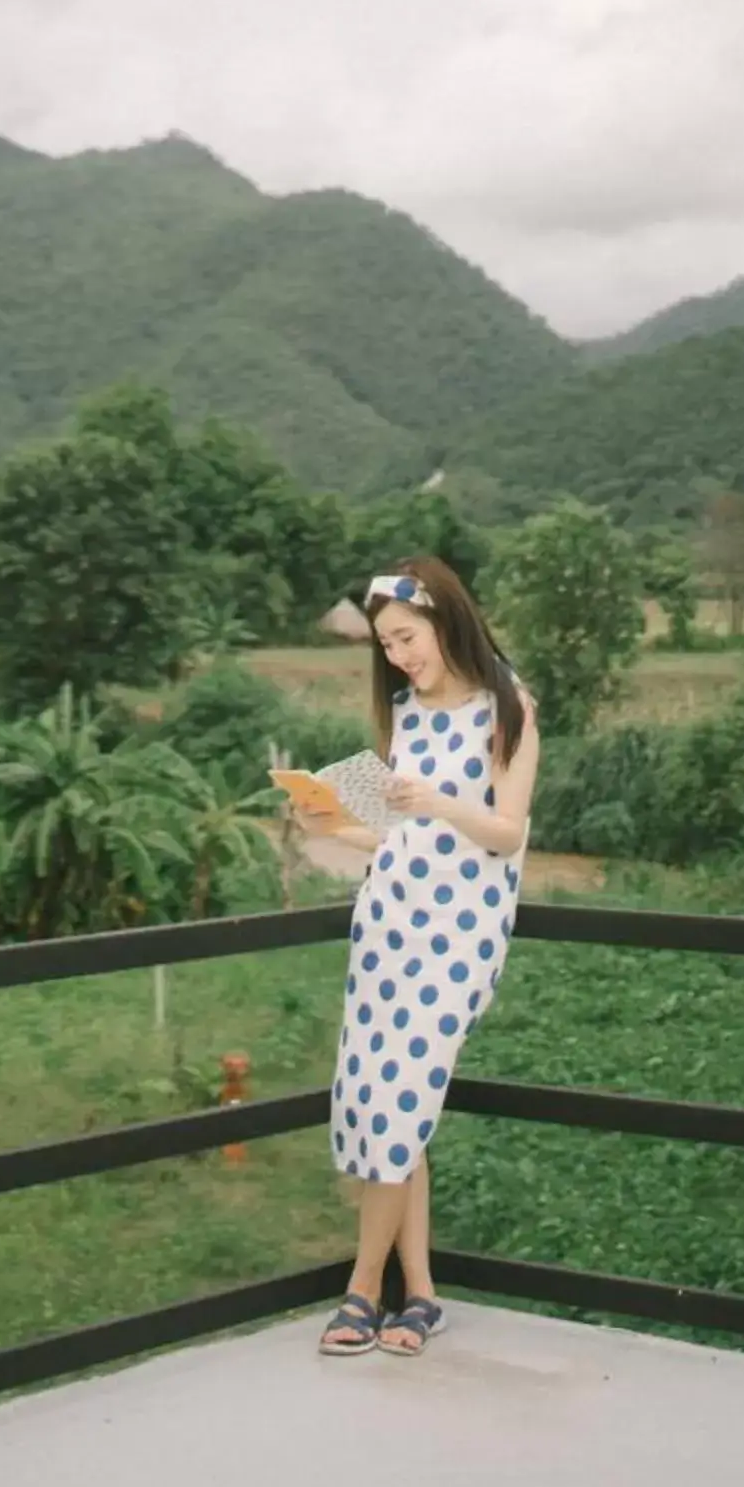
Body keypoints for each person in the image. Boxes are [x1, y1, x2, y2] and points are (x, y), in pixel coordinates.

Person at [289, 556, 539, 1357]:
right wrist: (328, 824)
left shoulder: (508, 704)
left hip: (459, 936)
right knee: (385, 1106)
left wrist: (437, 800)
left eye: (406, 637)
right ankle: (421, 1296)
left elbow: (508, 833)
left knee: (397, 1101)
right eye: (387, 644)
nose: (399, 655)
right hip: (388, 922)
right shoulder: (403, 713)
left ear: (444, 618)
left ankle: (362, 1293)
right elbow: (393, 836)